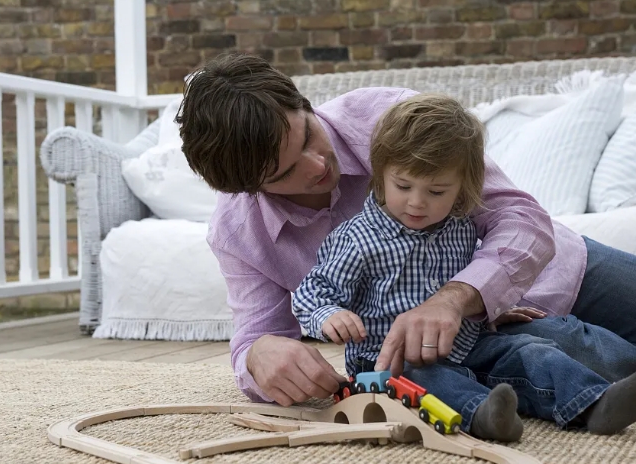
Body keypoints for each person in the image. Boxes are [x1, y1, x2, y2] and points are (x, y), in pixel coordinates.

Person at [176, 53, 636, 406]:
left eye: (308, 136)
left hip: (561, 273)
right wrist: (258, 357)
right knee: (572, 375)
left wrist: (453, 298)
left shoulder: (390, 116)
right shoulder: (237, 232)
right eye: (284, 172)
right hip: (484, 349)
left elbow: (520, 218)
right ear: (249, 188)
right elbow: (258, 335)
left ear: (304, 102)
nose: (318, 165)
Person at [292, 93, 636, 441]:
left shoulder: (460, 227)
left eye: (437, 191)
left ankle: (595, 403)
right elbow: (312, 293)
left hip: (467, 341)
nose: (416, 202)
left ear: (462, 189)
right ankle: (485, 415)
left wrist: (488, 309)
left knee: (530, 352)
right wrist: (329, 316)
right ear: (380, 176)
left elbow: (466, 280)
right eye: (403, 186)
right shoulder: (357, 239)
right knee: (428, 378)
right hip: (389, 360)